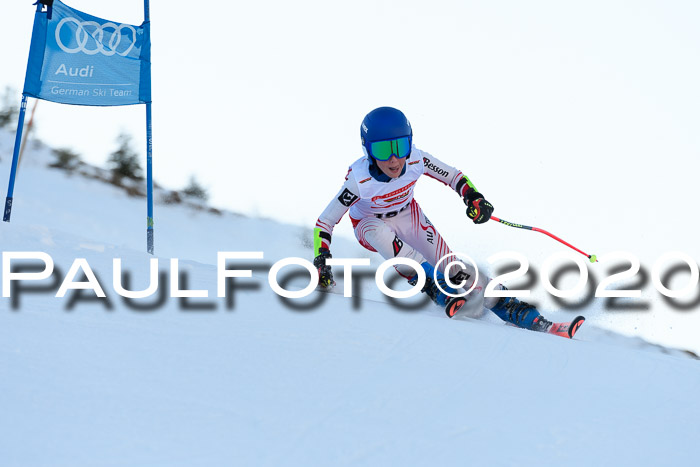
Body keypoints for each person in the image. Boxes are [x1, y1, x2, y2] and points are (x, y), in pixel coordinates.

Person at [312, 106, 553, 333]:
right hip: (368, 222)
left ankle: (513, 308)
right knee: (379, 232)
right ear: (368, 151)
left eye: (401, 146)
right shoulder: (359, 180)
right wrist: (321, 258)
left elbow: (454, 176)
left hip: (409, 215)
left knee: (453, 269)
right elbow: (325, 221)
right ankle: (433, 286)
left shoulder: (417, 160)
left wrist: (474, 198)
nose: (394, 159)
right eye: (384, 150)